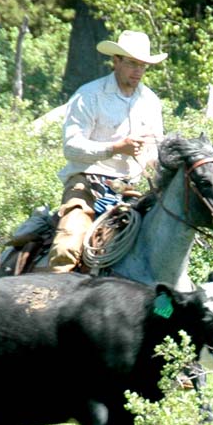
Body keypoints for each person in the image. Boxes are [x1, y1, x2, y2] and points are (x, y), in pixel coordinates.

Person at [47, 30, 167, 273]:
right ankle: (52, 297)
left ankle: (164, 307)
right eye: (132, 63)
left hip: (130, 189)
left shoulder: (150, 101)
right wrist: (114, 148)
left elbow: (155, 149)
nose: (138, 71)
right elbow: (71, 147)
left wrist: (156, 165)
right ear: (116, 61)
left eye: (143, 65)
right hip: (86, 184)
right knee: (67, 245)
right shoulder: (89, 95)